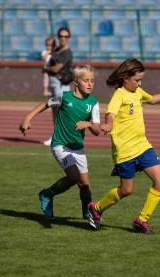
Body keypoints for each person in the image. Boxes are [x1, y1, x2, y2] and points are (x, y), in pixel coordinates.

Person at [87, 58, 160, 234]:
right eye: (137, 80)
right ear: (125, 77)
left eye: (141, 80)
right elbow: (110, 114)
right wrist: (109, 124)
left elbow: (152, 99)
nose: (140, 83)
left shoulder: (137, 92)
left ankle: (141, 220)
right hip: (125, 151)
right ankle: (96, 208)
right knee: (126, 190)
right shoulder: (119, 95)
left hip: (143, 146)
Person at [19, 64, 100, 219]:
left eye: (92, 80)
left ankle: (87, 212)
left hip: (77, 147)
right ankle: (47, 194)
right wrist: (28, 117)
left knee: (84, 185)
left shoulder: (93, 103)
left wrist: (88, 124)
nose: (90, 84)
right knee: (74, 177)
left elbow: (96, 131)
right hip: (60, 144)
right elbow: (45, 104)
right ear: (76, 82)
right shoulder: (64, 96)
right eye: (86, 80)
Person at [43, 27, 74, 147]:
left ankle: (63, 138)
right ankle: (57, 136)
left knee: (61, 111)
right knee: (54, 110)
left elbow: (56, 68)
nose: (63, 38)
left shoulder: (67, 52)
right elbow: (46, 60)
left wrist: (46, 68)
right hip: (54, 82)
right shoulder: (56, 50)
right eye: (61, 36)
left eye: (66, 36)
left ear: (69, 38)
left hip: (62, 84)